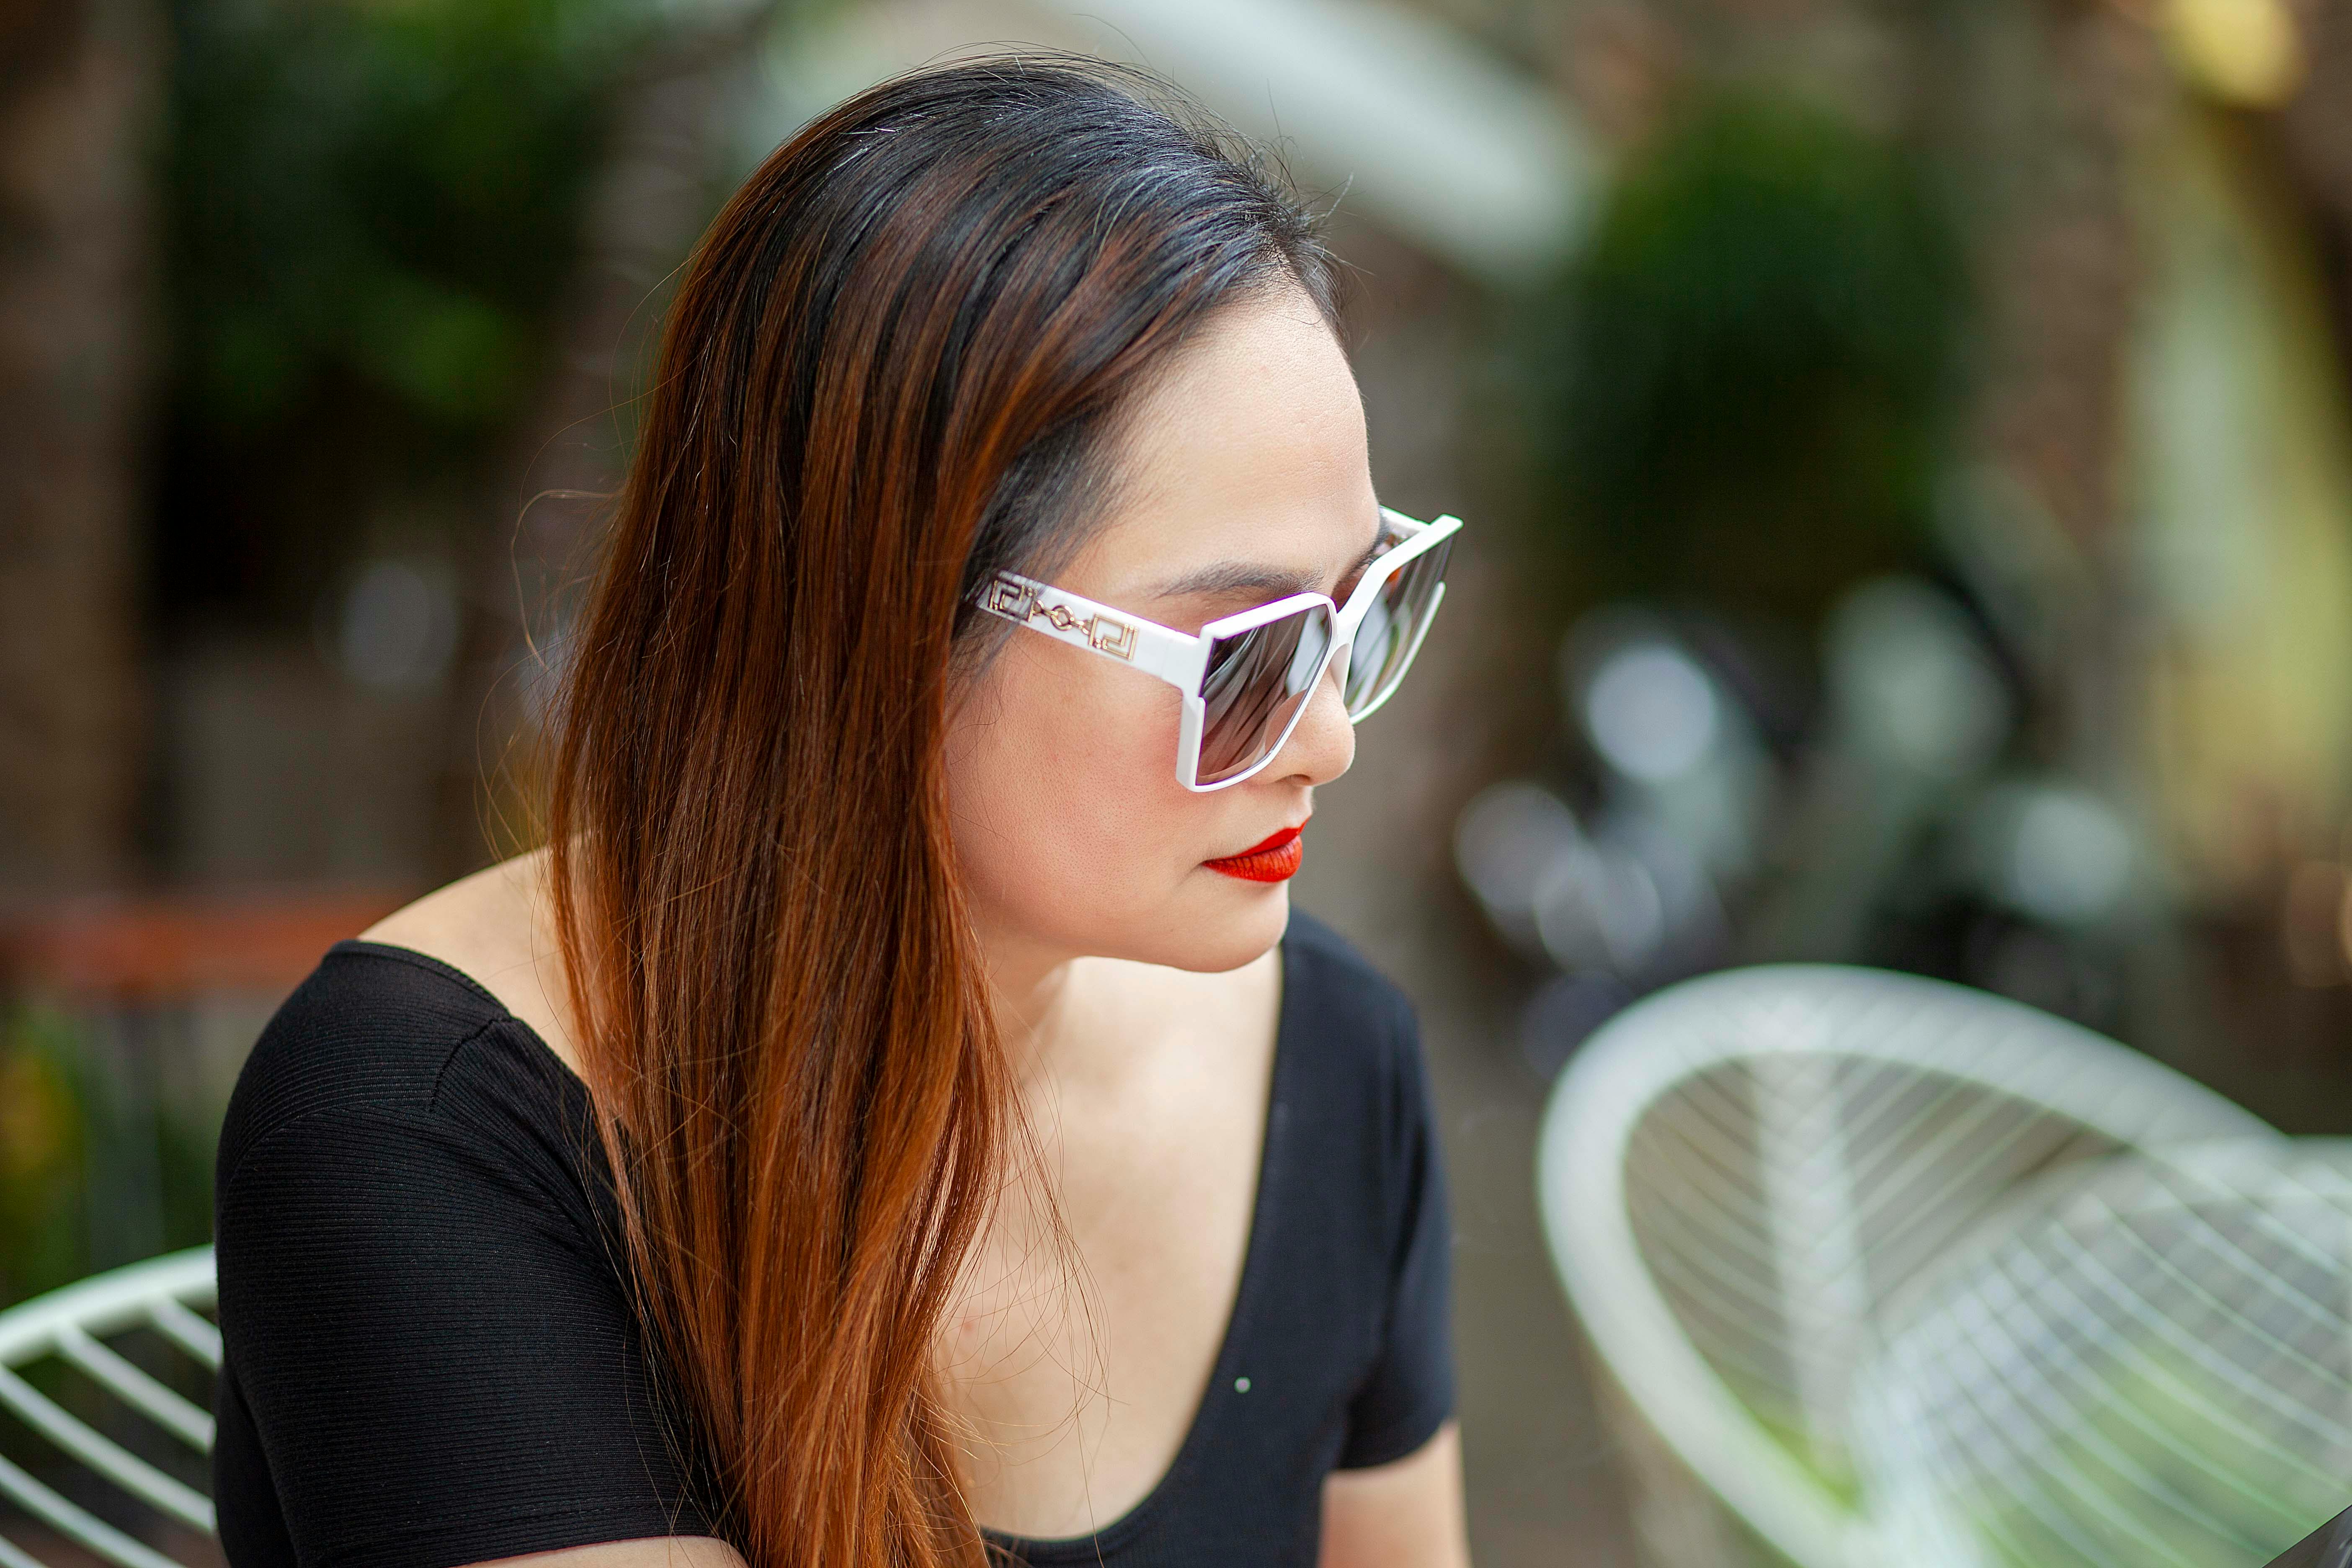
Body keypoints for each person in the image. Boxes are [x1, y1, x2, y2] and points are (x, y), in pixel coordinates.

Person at [211, 54, 1467, 1568]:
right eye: (1248, 656)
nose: (1327, 739)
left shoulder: (1329, 1061)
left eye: (1359, 613)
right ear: (884, 616)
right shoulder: (431, 1127)